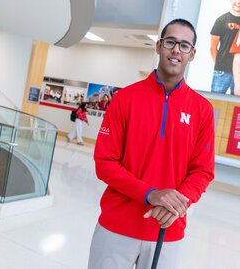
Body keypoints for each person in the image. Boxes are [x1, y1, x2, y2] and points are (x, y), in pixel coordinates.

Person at [89, 19, 215, 269]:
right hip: (116, 228)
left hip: (167, 231)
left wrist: (176, 203)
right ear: (158, 47)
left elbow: (202, 172)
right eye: (170, 42)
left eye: (184, 45)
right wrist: (151, 194)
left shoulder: (203, 110)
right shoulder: (125, 99)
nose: (176, 50)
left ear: (193, 54)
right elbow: (105, 164)